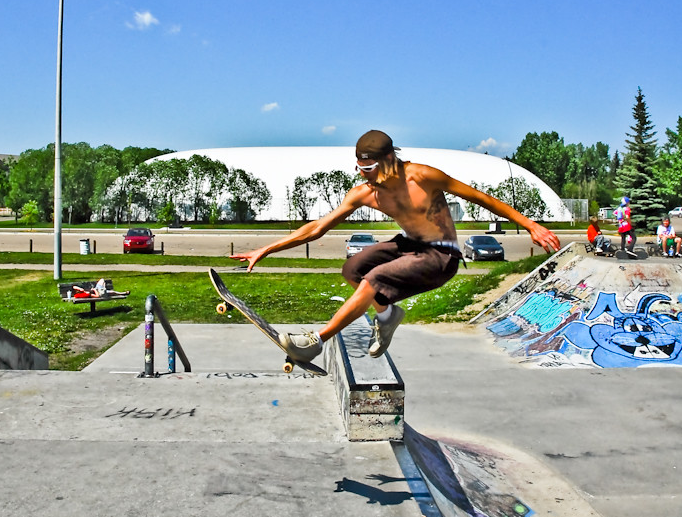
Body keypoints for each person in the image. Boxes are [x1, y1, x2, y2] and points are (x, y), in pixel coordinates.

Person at [232, 130, 561, 363]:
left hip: (441, 255)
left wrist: (531, 225)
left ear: (389, 159)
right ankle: (387, 316)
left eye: (371, 170)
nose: (367, 178)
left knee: (372, 280)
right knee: (353, 268)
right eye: (361, 170)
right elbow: (317, 228)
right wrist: (267, 249)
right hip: (409, 246)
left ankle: (317, 341)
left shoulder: (423, 177)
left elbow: (482, 198)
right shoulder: (365, 192)